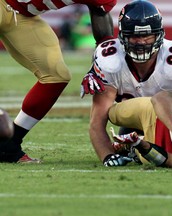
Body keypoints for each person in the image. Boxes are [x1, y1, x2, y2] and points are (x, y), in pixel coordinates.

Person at [80, 0, 172, 166]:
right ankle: (132, 144)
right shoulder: (110, 61)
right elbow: (96, 123)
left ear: (159, 34)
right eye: (135, 36)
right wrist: (108, 157)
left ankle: (131, 145)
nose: (141, 42)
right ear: (122, 35)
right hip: (132, 122)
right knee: (113, 112)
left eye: (147, 35)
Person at [0, 0, 116, 163]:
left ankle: (7, 146)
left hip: (22, 16)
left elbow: (100, 10)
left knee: (56, 76)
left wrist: (105, 59)